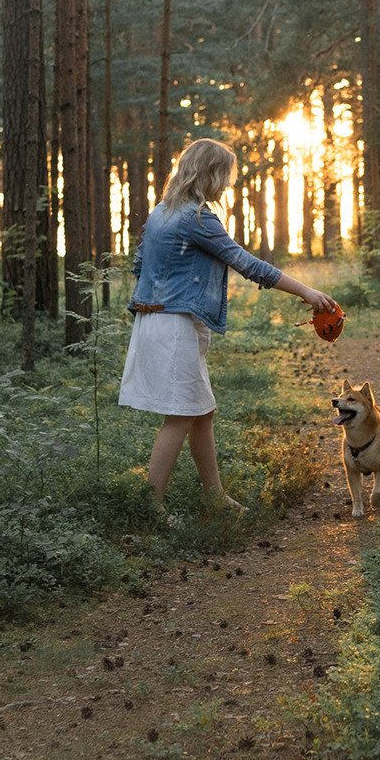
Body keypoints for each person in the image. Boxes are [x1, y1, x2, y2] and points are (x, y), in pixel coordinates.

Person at [121, 137, 339, 519]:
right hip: (174, 325)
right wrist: (306, 291)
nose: (226, 185)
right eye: (224, 176)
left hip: (157, 320)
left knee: (201, 413)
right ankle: (151, 509)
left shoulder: (160, 213)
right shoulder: (197, 217)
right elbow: (246, 263)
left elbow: (140, 267)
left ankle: (215, 496)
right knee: (179, 417)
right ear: (209, 173)